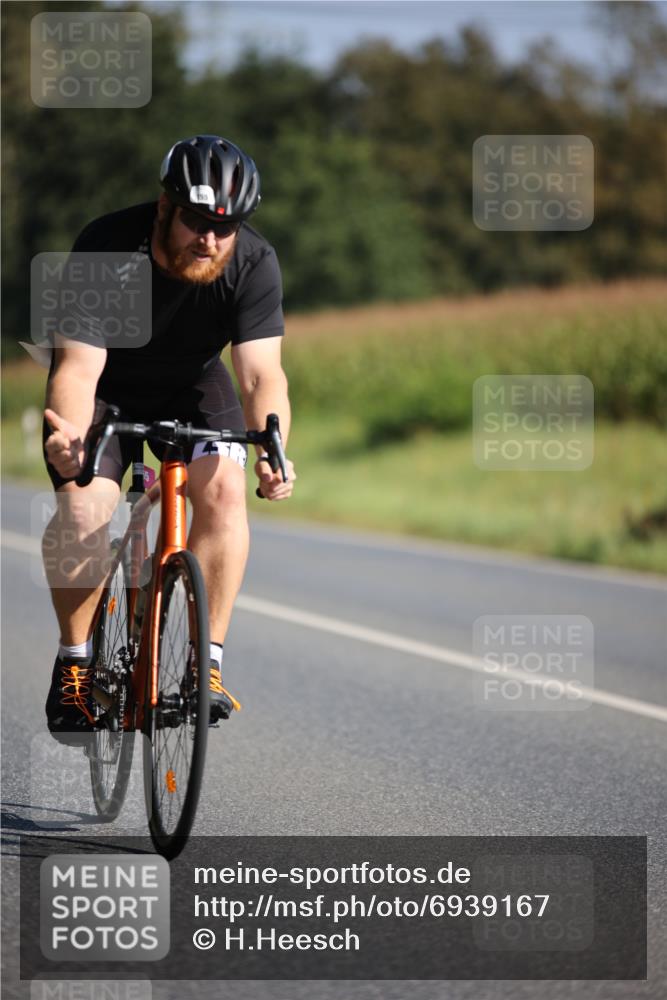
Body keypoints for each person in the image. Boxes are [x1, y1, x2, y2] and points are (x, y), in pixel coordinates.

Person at [42, 134, 296, 743]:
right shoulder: (107, 247)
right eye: (196, 222)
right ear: (165, 207)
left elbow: (261, 373)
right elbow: (77, 368)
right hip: (108, 385)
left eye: (226, 226)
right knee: (83, 509)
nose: (210, 239)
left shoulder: (253, 263)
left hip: (193, 384)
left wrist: (273, 445)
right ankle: (75, 664)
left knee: (226, 494)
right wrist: (73, 440)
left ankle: (205, 664)